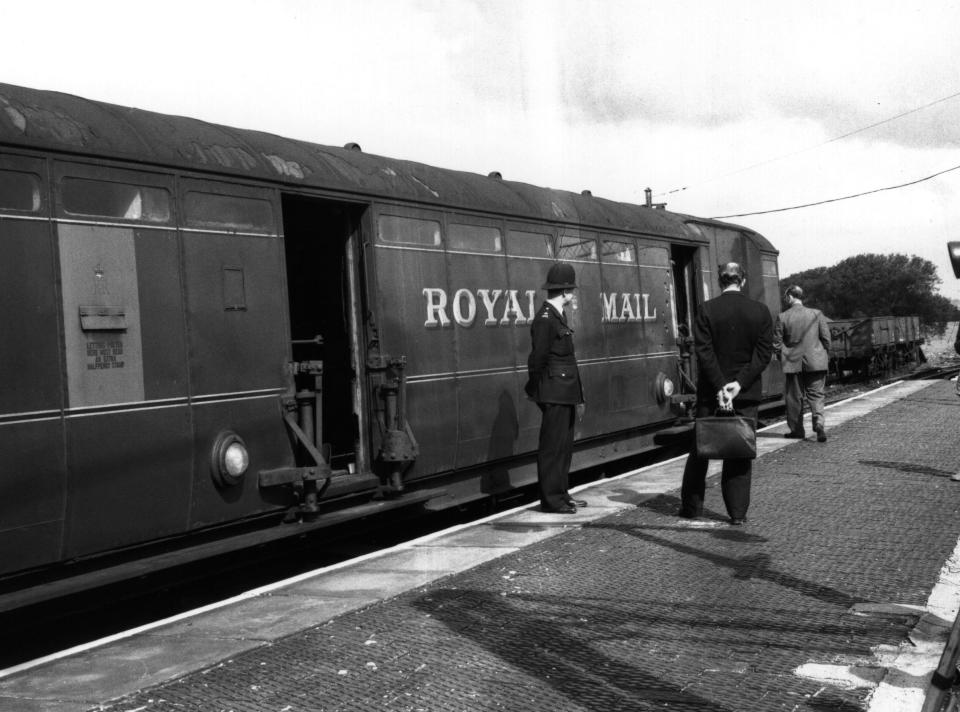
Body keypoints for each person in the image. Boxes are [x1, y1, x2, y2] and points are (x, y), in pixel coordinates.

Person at [679, 262, 773, 525]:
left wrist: (721, 385)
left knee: (699, 450)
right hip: (745, 395)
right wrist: (738, 384)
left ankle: (691, 508)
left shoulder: (707, 310)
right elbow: (763, 354)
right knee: (739, 452)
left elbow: (704, 353)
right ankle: (737, 513)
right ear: (742, 281)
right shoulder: (760, 312)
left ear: (721, 282)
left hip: (712, 394)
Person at [525, 262, 587, 514]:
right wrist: (536, 389)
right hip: (554, 391)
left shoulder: (557, 316)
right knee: (552, 448)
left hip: (565, 391)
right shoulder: (545, 319)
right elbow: (537, 359)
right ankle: (551, 500)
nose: (573, 294)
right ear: (564, 292)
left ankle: (562, 493)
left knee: (563, 446)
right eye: (571, 290)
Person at [773, 285, 831, 442]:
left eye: (786, 297)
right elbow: (826, 338)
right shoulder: (816, 314)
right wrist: (824, 355)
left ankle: (797, 430)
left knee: (794, 398)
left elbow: (776, 344)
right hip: (816, 361)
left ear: (790, 297)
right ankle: (818, 423)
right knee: (817, 394)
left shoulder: (783, 317)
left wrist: (782, 358)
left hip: (792, 363)